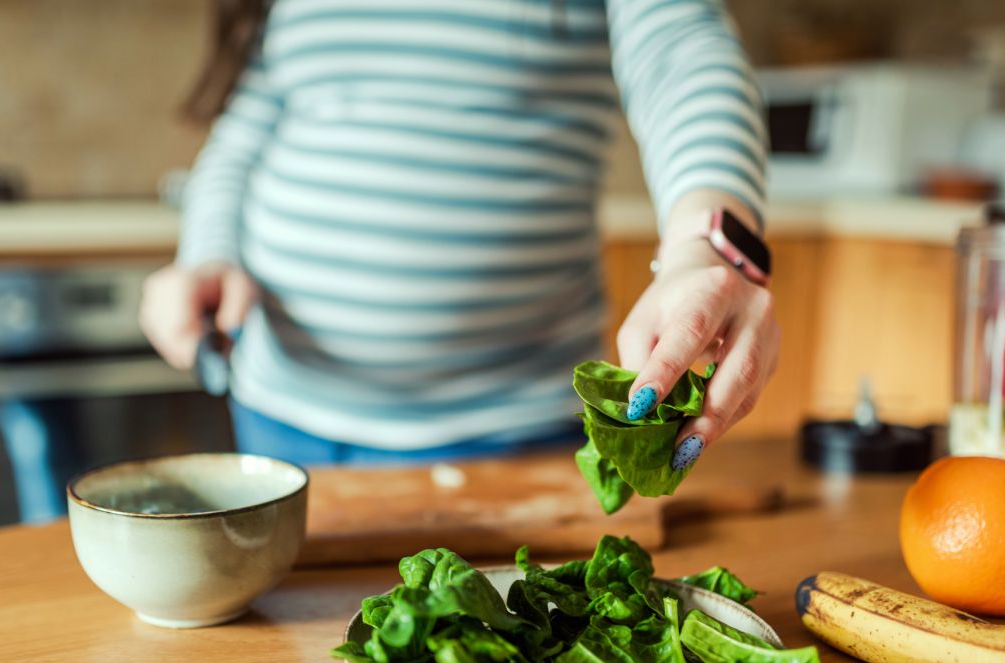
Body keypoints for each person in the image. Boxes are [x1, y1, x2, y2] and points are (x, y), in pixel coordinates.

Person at [140, 0, 779, 470]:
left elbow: (680, 50)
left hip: (512, 430)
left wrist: (704, 247)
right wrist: (207, 255)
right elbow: (249, 125)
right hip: (282, 409)